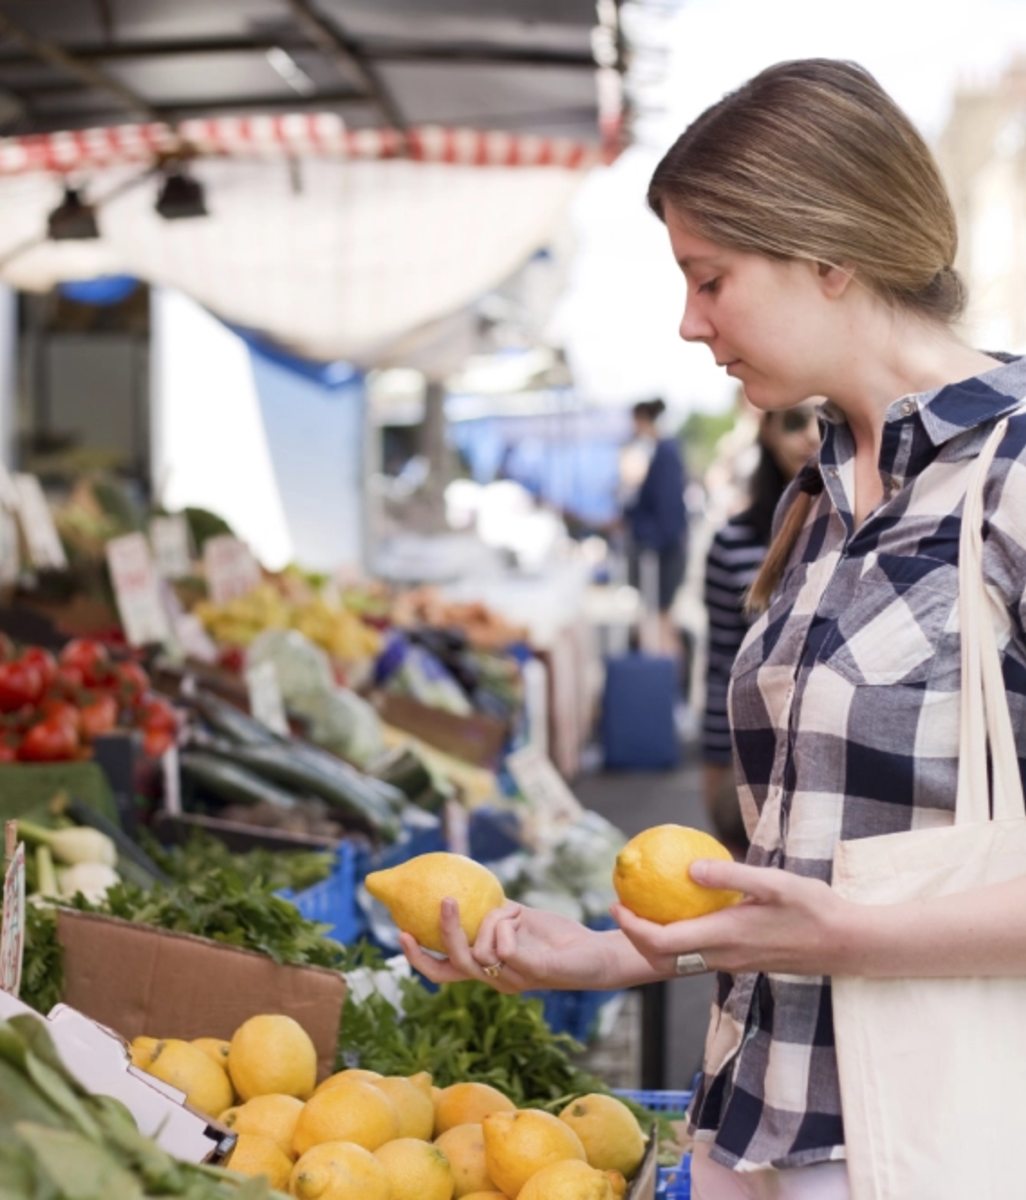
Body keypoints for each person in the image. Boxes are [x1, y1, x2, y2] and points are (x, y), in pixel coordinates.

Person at [400, 58, 1026, 1199]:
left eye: (711, 278)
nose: (689, 324)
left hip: (929, 1139)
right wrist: (601, 950)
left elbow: (836, 922)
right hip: (746, 1121)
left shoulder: (1017, 477)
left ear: (828, 254)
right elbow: (802, 862)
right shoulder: (815, 497)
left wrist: (851, 941)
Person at [702, 402, 820, 854]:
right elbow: (721, 666)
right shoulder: (733, 541)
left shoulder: (875, 528)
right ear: (767, 431)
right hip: (757, 767)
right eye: (792, 420)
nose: (811, 435)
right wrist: (714, 766)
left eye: (823, 419)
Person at [622, 398, 688, 657]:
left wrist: (648, 539)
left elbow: (666, 511)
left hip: (664, 552)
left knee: (661, 620)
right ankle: (669, 686)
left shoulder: (665, 453)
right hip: (664, 548)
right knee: (658, 620)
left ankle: (670, 688)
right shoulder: (662, 452)